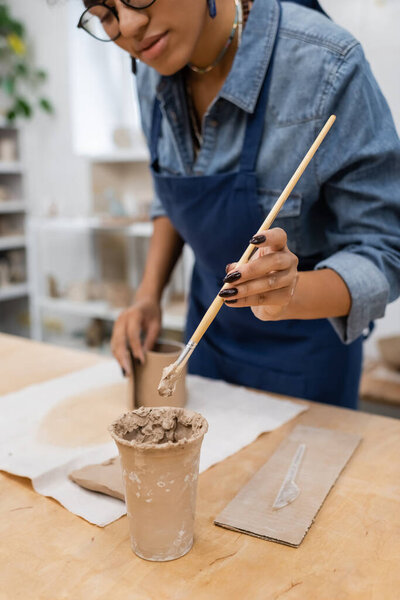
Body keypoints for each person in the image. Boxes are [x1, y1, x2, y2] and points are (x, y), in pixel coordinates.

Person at [78, 0, 400, 408]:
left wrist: (292, 289)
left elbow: (384, 250)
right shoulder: (151, 68)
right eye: (104, 14)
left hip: (306, 359)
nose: (129, 26)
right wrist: (148, 296)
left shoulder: (326, 65)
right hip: (206, 344)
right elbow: (172, 190)